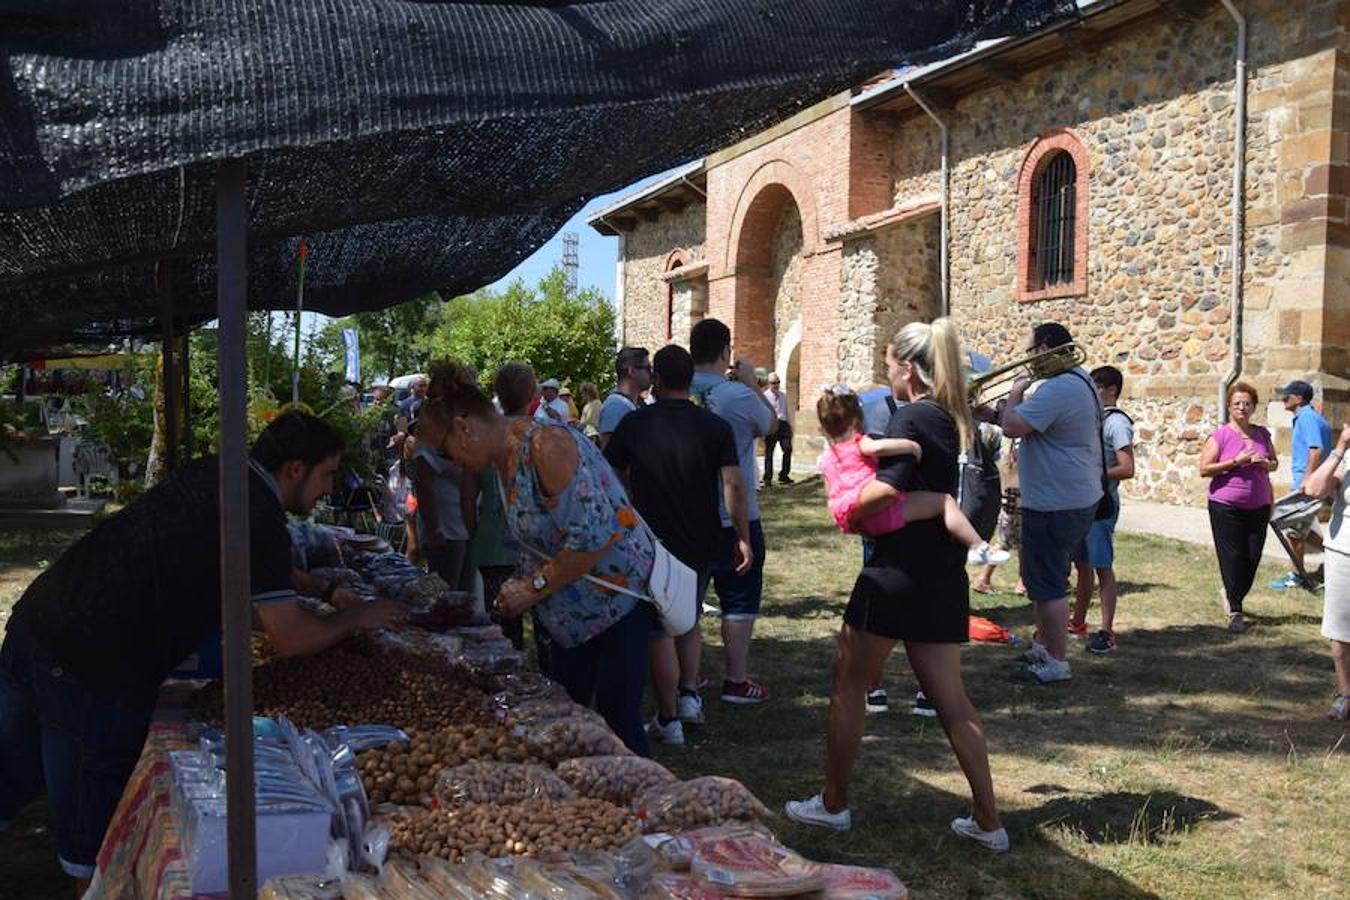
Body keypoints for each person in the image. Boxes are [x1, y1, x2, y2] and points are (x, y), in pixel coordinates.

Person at [0, 412, 406, 890]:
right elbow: (289, 638)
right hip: (95, 662)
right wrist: (357, 617)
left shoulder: (219, 473)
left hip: (39, 622)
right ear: (296, 469)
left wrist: (319, 589)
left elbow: (254, 568)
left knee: (7, 774)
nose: (328, 489)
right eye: (327, 474)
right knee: (90, 839)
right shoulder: (258, 511)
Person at [785, 319, 1006, 853]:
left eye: (888, 364)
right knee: (952, 701)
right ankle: (989, 821)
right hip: (941, 577)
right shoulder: (955, 421)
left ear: (907, 368)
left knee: (849, 686)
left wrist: (845, 509)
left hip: (894, 577)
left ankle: (833, 805)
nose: (885, 374)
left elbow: (885, 491)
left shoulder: (912, 416)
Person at [416, 360, 656, 755]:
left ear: (464, 428)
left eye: (446, 453)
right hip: (570, 622)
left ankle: (650, 809)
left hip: (615, 609)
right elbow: (545, 540)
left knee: (619, 726)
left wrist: (533, 587)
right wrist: (524, 586)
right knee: (572, 729)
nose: (451, 464)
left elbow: (595, 535)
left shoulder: (547, 445)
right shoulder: (501, 460)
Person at [605, 345, 753, 745]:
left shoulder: (635, 425)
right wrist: (742, 534)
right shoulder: (714, 426)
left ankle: (669, 718)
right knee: (686, 617)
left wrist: (626, 512)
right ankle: (688, 696)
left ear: (656, 379)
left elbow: (609, 473)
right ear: (689, 380)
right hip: (700, 534)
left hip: (650, 537)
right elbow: (733, 484)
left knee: (657, 629)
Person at [1000, 322, 1104, 685]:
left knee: (1047, 583)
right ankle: (1045, 649)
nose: (1028, 358)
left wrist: (1015, 391)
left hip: (1056, 499)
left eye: (1031, 350)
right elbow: (1025, 423)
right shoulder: (1080, 381)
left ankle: (1056, 662)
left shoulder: (1060, 387)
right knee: (1043, 578)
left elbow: (1013, 426)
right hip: (1069, 494)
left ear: (1044, 347)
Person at [816, 384, 1009, 565]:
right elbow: (879, 446)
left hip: (853, 518)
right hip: (883, 510)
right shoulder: (860, 442)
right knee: (944, 502)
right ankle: (978, 547)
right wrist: (911, 446)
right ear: (858, 420)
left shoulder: (826, 459)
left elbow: (831, 492)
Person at [690, 319, 778, 704]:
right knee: (739, 596)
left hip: (685, 512)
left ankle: (688, 677)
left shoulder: (674, 391)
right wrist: (750, 382)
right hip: (735, 511)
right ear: (725, 351)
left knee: (685, 600)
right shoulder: (735, 396)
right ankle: (736, 680)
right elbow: (771, 424)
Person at [1199, 382, 1278, 633]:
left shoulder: (1262, 434)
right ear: (1230, 407)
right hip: (1226, 505)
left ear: (1254, 406)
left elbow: (1274, 462)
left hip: (1259, 504)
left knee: (1252, 558)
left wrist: (1265, 463)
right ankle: (1235, 610)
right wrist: (1236, 461)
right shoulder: (1221, 435)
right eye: (1237, 404)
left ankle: (1231, 592)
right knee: (1232, 557)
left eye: (1247, 403)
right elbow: (1204, 468)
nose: (1242, 407)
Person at [1069, 366, 1135, 654]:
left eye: (1096, 387)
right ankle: (1078, 622)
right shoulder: (1094, 420)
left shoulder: (1116, 423)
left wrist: (1093, 473)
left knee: (1102, 567)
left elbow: (1127, 467)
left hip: (1101, 505)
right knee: (1082, 565)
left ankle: (1107, 631)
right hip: (1085, 502)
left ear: (1111, 390)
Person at [472, 362, 536, 648]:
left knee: (501, 635)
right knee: (544, 628)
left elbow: (467, 493)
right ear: (532, 393)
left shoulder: (483, 440)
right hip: (536, 546)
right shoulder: (546, 436)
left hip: (492, 543)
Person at [1298, 423, 1350, 720]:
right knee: (1341, 629)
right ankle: (1345, 693)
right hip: (1344, 548)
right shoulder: (1348, 455)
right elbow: (1314, 489)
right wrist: (1341, 446)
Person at [1271, 380, 1333, 590]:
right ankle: (1334, 554)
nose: (1282, 399)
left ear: (1298, 399)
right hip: (1314, 482)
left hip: (1307, 484)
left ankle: (1297, 576)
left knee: (1293, 530)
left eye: (1286, 396)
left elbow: (1316, 450)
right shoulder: (1310, 417)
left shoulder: (1306, 418)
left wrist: (1306, 480)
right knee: (1300, 530)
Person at [411, 419, 474, 593]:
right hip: (445, 533)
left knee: (465, 596)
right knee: (446, 598)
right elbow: (423, 484)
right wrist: (434, 530)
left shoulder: (461, 431)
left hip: (463, 530)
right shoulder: (431, 438)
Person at [597, 347, 651, 449]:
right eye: (647, 368)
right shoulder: (615, 407)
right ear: (632, 371)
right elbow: (610, 457)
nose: (651, 374)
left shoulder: (629, 404)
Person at [762, 373, 795, 487]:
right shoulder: (764, 396)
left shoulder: (783, 396)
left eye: (778, 382)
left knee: (787, 448)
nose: (776, 385)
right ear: (769, 384)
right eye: (773, 383)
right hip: (771, 425)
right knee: (769, 452)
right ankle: (767, 477)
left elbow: (786, 411)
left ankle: (784, 475)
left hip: (783, 424)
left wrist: (790, 425)